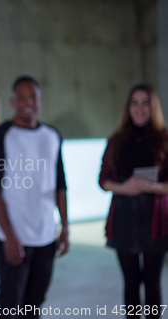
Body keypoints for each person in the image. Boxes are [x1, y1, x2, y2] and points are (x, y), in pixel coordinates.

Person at [0, 76, 69, 319]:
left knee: (34, 304)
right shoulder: (0, 135)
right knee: (10, 304)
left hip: (45, 235)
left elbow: (60, 184)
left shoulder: (52, 135)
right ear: (12, 101)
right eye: (21, 97)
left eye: (32, 96)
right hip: (12, 236)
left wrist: (65, 227)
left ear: (40, 100)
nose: (27, 102)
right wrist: (10, 235)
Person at [99, 83, 168, 319]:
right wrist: (125, 188)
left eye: (145, 103)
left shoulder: (164, 140)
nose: (140, 108)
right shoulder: (116, 140)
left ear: (153, 106)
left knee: (152, 282)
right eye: (135, 103)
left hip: (156, 221)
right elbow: (103, 179)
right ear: (129, 107)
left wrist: (153, 187)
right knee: (130, 282)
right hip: (124, 219)